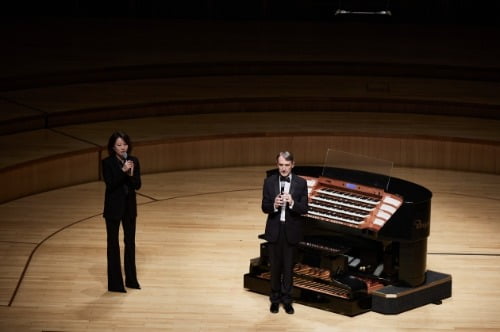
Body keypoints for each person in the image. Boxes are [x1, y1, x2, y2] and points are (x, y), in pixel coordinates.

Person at [261, 151, 309, 314]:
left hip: (291, 231)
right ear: (277, 165)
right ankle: (274, 299)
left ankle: (287, 300)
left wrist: (293, 203)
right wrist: (274, 204)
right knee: (274, 268)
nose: (283, 168)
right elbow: (264, 207)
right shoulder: (269, 182)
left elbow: (304, 209)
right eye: (281, 165)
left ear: (292, 165)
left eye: (287, 165)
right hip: (275, 230)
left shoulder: (301, 183)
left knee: (288, 268)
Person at [102, 131, 142, 292]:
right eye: (119, 145)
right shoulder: (107, 163)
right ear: (113, 147)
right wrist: (123, 171)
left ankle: (131, 280)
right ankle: (115, 284)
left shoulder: (134, 161)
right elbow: (110, 184)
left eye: (125, 144)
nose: (122, 147)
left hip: (129, 208)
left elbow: (137, 185)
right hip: (113, 209)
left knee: (130, 243)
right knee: (113, 244)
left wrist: (131, 174)